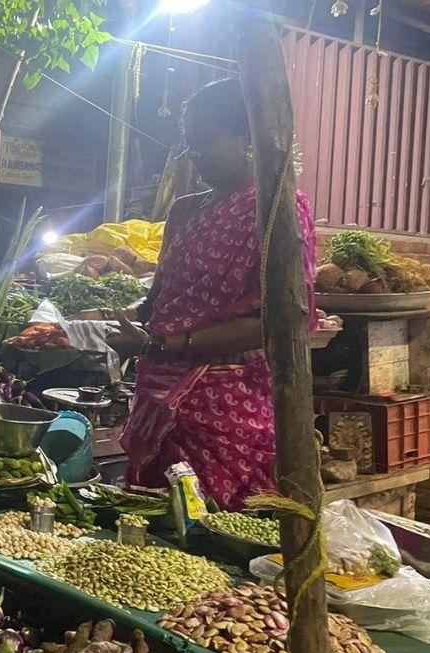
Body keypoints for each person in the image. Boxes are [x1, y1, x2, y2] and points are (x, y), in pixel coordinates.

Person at [107, 78, 317, 510]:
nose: (193, 153)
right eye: (189, 142)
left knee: (219, 523)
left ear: (247, 140)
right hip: (159, 393)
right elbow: (160, 297)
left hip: (228, 404)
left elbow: (277, 318)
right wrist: (121, 321)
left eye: (204, 141)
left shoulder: (276, 211)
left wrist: (161, 343)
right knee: (151, 514)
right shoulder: (185, 209)